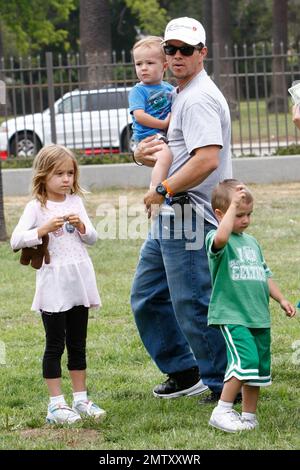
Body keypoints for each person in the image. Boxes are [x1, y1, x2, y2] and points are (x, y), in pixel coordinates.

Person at [131, 17, 232, 402]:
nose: (176, 56)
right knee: (148, 295)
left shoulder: (199, 97)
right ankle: (184, 371)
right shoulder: (180, 93)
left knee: (192, 303)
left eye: (185, 50)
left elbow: (206, 159)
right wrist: (142, 156)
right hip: (173, 211)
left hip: (191, 213)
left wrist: (163, 188)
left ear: (202, 53)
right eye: (170, 49)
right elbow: (172, 149)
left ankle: (225, 384)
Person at [11, 144, 105, 424]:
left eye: (70, 173)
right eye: (59, 174)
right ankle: (56, 404)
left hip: (79, 281)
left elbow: (93, 239)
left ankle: (81, 399)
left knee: (78, 343)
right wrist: (42, 230)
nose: (66, 179)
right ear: (43, 175)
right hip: (54, 283)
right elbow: (17, 240)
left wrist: (82, 227)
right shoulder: (36, 207)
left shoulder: (75, 202)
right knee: (55, 344)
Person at [206, 179, 296, 432]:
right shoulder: (216, 237)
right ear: (220, 215)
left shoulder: (252, 243)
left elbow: (264, 274)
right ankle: (222, 410)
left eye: (249, 214)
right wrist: (232, 206)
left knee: (255, 369)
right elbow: (221, 238)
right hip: (232, 315)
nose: (245, 220)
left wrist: (281, 299)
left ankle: (248, 417)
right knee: (245, 360)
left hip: (258, 316)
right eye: (239, 214)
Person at [129, 36, 174, 189]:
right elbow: (139, 116)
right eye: (139, 64)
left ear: (164, 66)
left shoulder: (169, 88)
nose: (143, 68)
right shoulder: (138, 91)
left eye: (149, 63)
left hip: (161, 134)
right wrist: (163, 124)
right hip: (148, 136)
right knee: (165, 157)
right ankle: (156, 190)